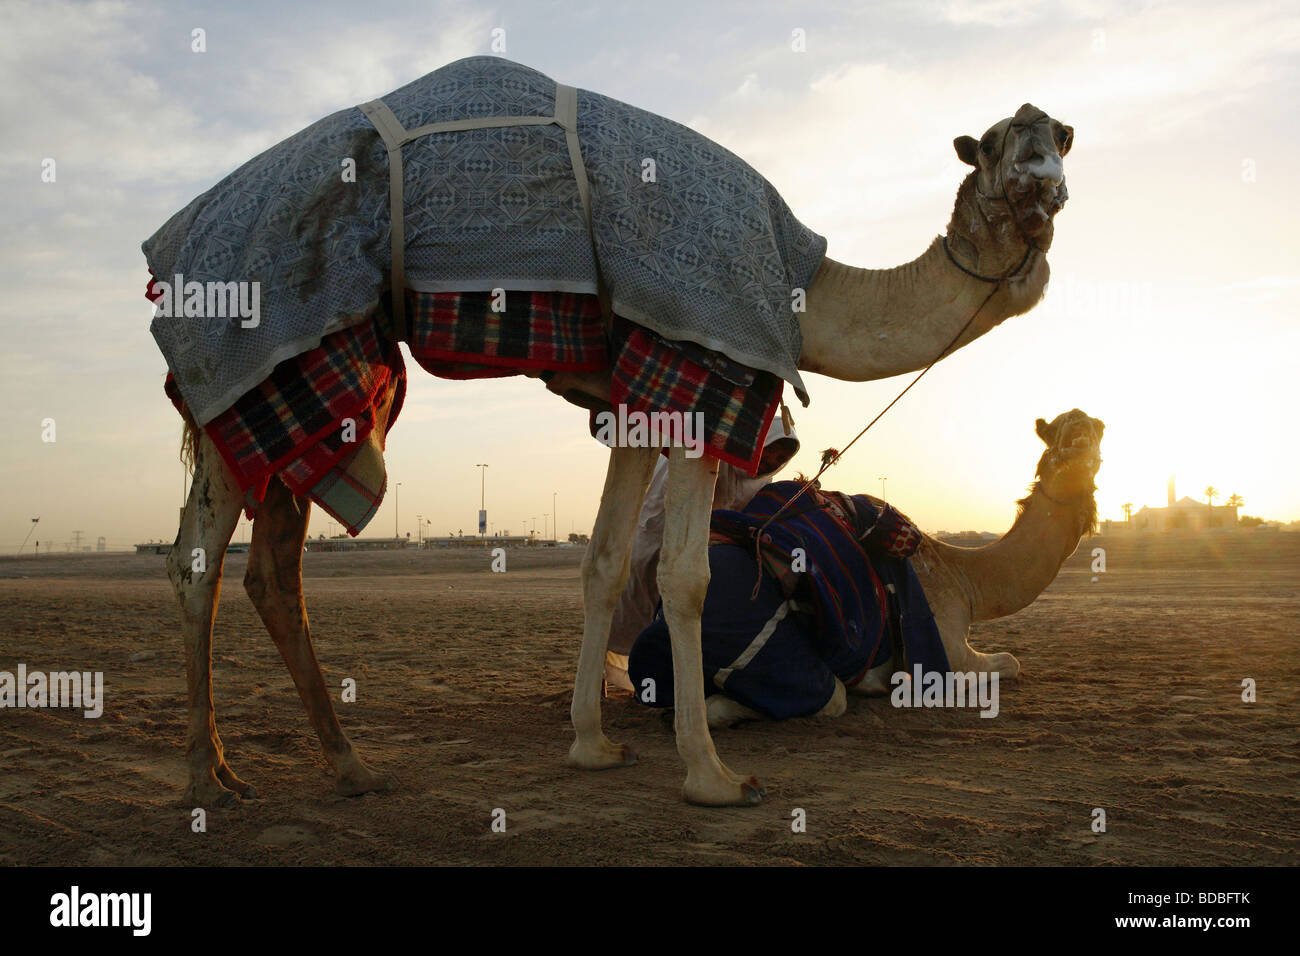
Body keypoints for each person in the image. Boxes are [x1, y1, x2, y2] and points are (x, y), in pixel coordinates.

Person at [603, 405, 800, 692]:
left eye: (780, 458)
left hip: (709, 557)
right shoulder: (705, 452)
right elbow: (660, 502)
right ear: (755, 444)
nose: (772, 459)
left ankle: (677, 683)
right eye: (769, 450)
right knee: (628, 608)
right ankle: (602, 674)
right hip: (656, 540)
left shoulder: (762, 483)